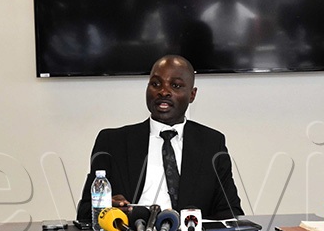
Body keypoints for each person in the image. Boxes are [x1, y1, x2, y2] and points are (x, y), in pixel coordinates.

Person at [76, 54, 243, 221]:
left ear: (192, 95)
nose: (163, 92)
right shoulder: (112, 142)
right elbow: (84, 212)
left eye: (176, 85)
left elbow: (231, 213)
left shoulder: (212, 143)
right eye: (155, 84)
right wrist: (106, 208)